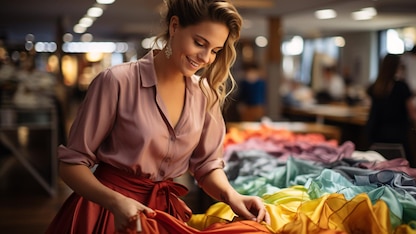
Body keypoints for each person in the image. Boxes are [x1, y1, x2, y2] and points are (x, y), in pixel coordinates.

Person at [46, 0, 269, 233]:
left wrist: (232, 196)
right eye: (199, 43)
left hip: (163, 215)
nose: (205, 58)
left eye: (215, 51)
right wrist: (115, 202)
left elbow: (206, 166)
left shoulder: (205, 95)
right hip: (106, 212)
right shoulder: (117, 81)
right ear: (174, 26)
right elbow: (71, 165)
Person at [365, 53, 416, 165]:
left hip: (377, 140)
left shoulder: (375, 86)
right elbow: (413, 114)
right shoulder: (402, 87)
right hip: (398, 140)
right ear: (397, 67)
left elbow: (371, 112)